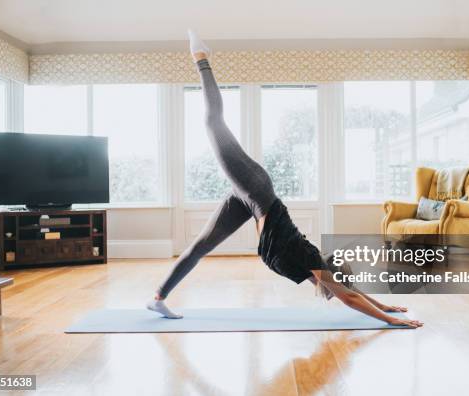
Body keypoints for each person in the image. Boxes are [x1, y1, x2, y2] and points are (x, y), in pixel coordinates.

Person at [147, 30, 423, 329]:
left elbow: (351, 292)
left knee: (200, 247)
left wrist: (387, 306)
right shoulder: (310, 261)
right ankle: (201, 58)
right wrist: (391, 321)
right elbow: (350, 297)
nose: (334, 294)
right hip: (257, 190)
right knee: (213, 122)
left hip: (251, 204)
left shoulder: (308, 272)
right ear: (329, 274)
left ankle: (158, 297)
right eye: (335, 287)